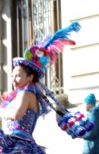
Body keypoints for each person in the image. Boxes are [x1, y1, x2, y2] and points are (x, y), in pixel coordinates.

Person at [0, 22, 84, 153]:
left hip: (19, 144)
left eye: (18, 76)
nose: (13, 80)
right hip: (16, 142)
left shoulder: (26, 93)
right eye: (12, 76)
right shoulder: (25, 94)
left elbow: (17, 114)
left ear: (30, 77)